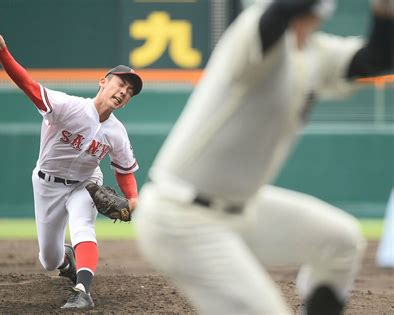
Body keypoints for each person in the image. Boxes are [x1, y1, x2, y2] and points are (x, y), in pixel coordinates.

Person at [134, 0, 393, 314]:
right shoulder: (253, 33)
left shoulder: (315, 53)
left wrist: (383, 10)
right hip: (180, 217)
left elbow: (377, 58)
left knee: (340, 241)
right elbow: (280, 12)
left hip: (241, 209)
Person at [0, 22, 142, 310]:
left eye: (130, 91)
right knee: (49, 259)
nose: (123, 92)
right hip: (47, 184)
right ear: (103, 82)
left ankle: (83, 289)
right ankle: (66, 263)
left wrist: (133, 201)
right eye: (121, 84)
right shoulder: (68, 107)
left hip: (86, 184)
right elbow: (28, 86)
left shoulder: (117, 133)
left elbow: (125, 169)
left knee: (83, 226)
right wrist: (2, 53)